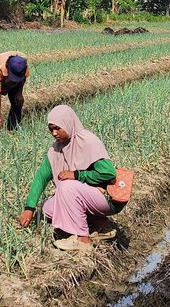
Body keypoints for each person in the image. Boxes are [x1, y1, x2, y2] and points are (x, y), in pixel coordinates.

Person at [18, 105, 123, 252]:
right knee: (48, 208)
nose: (54, 133)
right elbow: (41, 178)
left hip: (106, 199)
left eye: (57, 128)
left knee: (66, 186)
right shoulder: (55, 150)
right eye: (51, 129)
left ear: (68, 123)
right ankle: (97, 225)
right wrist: (29, 208)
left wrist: (77, 175)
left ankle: (82, 239)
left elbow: (109, 173)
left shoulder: (88, 141)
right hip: (85, 197)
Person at [0, 51, 29, 132]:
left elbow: (23, 77)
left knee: (18, 102)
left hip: (13, 74)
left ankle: (12, 128)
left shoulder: (23, 63)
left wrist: (19, 93)